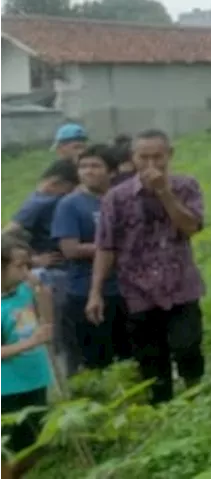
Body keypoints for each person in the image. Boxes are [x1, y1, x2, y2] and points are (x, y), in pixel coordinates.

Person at [88, 129, 206, 405]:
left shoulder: (186, 186)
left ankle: (196, 401)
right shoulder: (116, 198)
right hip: (137, 291)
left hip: (181, 285)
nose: (151, 163)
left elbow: (190, 227)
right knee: (151, 360)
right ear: (133, 158)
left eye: (158, 157)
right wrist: (95, 291)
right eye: (144, 157)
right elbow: (105, 247)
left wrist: (165, 193)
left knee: (188, 348)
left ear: (170, 155)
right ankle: (162, 408)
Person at [51, 145, 131, 375]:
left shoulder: (122, 200)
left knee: (129, 356)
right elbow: (70, 249)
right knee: (95, 362)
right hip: (85, 292)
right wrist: (112, 248)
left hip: (126, 289)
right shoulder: (70, 204)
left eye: (95, 166)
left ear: (112, 172)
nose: (88, 171)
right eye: (83, 166)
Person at [0, 233, 54, 479]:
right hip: (8, 389)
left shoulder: (23, 290)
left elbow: (44, 321)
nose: (26, 272)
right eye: (19, 266)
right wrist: (30, 342)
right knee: (9, 450)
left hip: (36, 377)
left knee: (36, 444)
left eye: (28, 265)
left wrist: (42, 293)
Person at [6, 160, 79, 272]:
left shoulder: (40, 199)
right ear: (56, 183)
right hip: (53, 270)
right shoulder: (42, 202)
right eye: (71, 189)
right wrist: (33, 261)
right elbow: (7, 233)